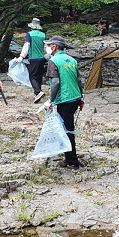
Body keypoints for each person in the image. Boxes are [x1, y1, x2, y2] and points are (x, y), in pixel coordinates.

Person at [42, 36, 84, 168]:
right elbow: (79, 80)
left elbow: (55, 82)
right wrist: (81, 97)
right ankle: (68, 155)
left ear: (54, 47)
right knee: (66, 128)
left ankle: (72, 161)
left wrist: (50, 100)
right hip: (75, 98)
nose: (47, 48)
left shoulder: (53, 61)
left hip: (64, 99)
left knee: (66, 130)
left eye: (48, 45)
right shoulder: (71, 60)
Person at [15, 18, 47, 103]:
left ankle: (38, 92)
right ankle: (37, 94)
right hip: (42, 59)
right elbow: (46, 47)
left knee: (32, 76)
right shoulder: (43, 35)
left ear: (32, 26)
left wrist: (21, 56)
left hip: (33, 58)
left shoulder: (29, 34)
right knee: (39, 77)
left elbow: (27, 45)